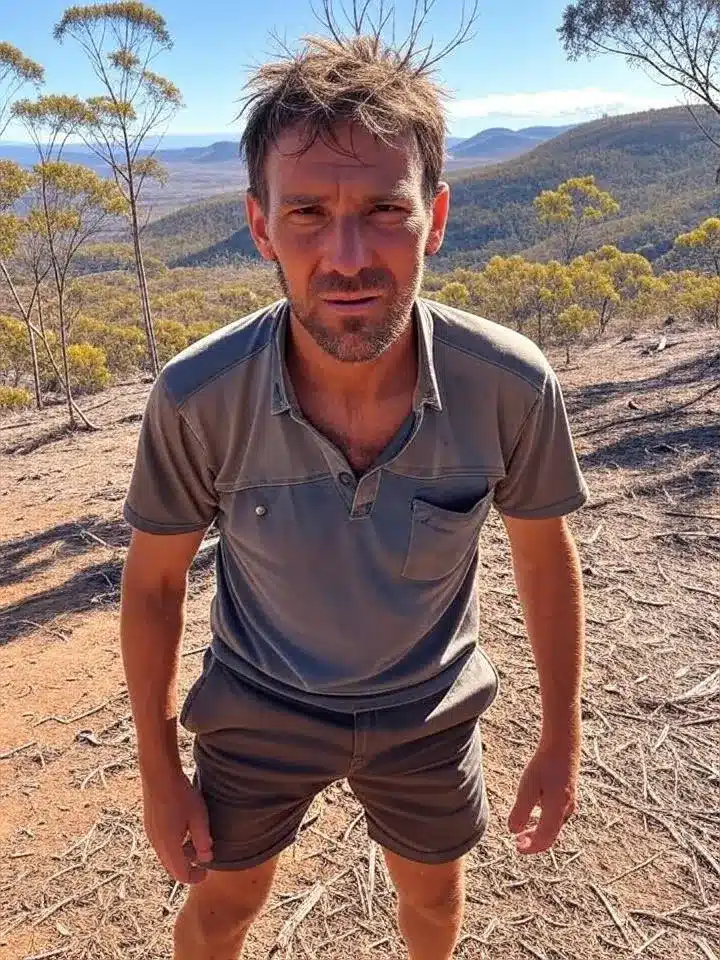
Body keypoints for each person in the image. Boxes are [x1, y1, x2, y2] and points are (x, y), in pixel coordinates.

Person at [119, 30, 588, 960]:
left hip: (429, 707)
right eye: (306, 214)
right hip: (258, 706)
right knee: (220, 912)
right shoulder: (198, 396)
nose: (347, 255)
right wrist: (159, 769)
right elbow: (155, 586)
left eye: (383, 208)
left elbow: (544, 557)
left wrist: (561, 739)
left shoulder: (508, 385)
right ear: (259, 226)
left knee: (434, 909)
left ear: (436, 217)